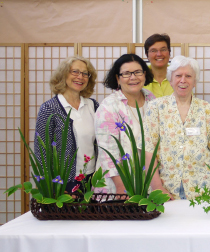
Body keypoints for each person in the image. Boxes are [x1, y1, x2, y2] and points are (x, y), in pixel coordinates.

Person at [144, 55, 210, 200]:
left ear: (195, 81)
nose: (183, 80)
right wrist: (158, 187)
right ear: (170, 80)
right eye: (178, 76)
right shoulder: (155, 107)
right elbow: (149, 150)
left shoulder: (208, 109)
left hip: (202, 189)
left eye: (188, 76)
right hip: (166, 186)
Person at [34, 56, 99, 192]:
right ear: (64, 75)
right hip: (63, 181)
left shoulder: (93, 106)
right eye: (74, 71)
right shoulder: (49, 108)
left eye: (85, 73)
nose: (80, 77)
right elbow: (41, 150)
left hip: (93, 179)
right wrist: (49, 186)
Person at [94, 54, 156, 194]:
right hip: (119, 185)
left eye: (138, 72)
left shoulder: (151, 99)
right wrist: (121, 187)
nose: (133, 77)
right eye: (126, 73)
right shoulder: (108, 107)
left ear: (145, 74)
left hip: (149, 180)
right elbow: (108, 152)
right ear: (118, 78)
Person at [143, 33, 173, 98]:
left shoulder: (179, 76)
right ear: (147, 55)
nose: (159, 54)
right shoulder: (139, 77)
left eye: (163, 49)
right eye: (153, 50)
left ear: (169, 52)